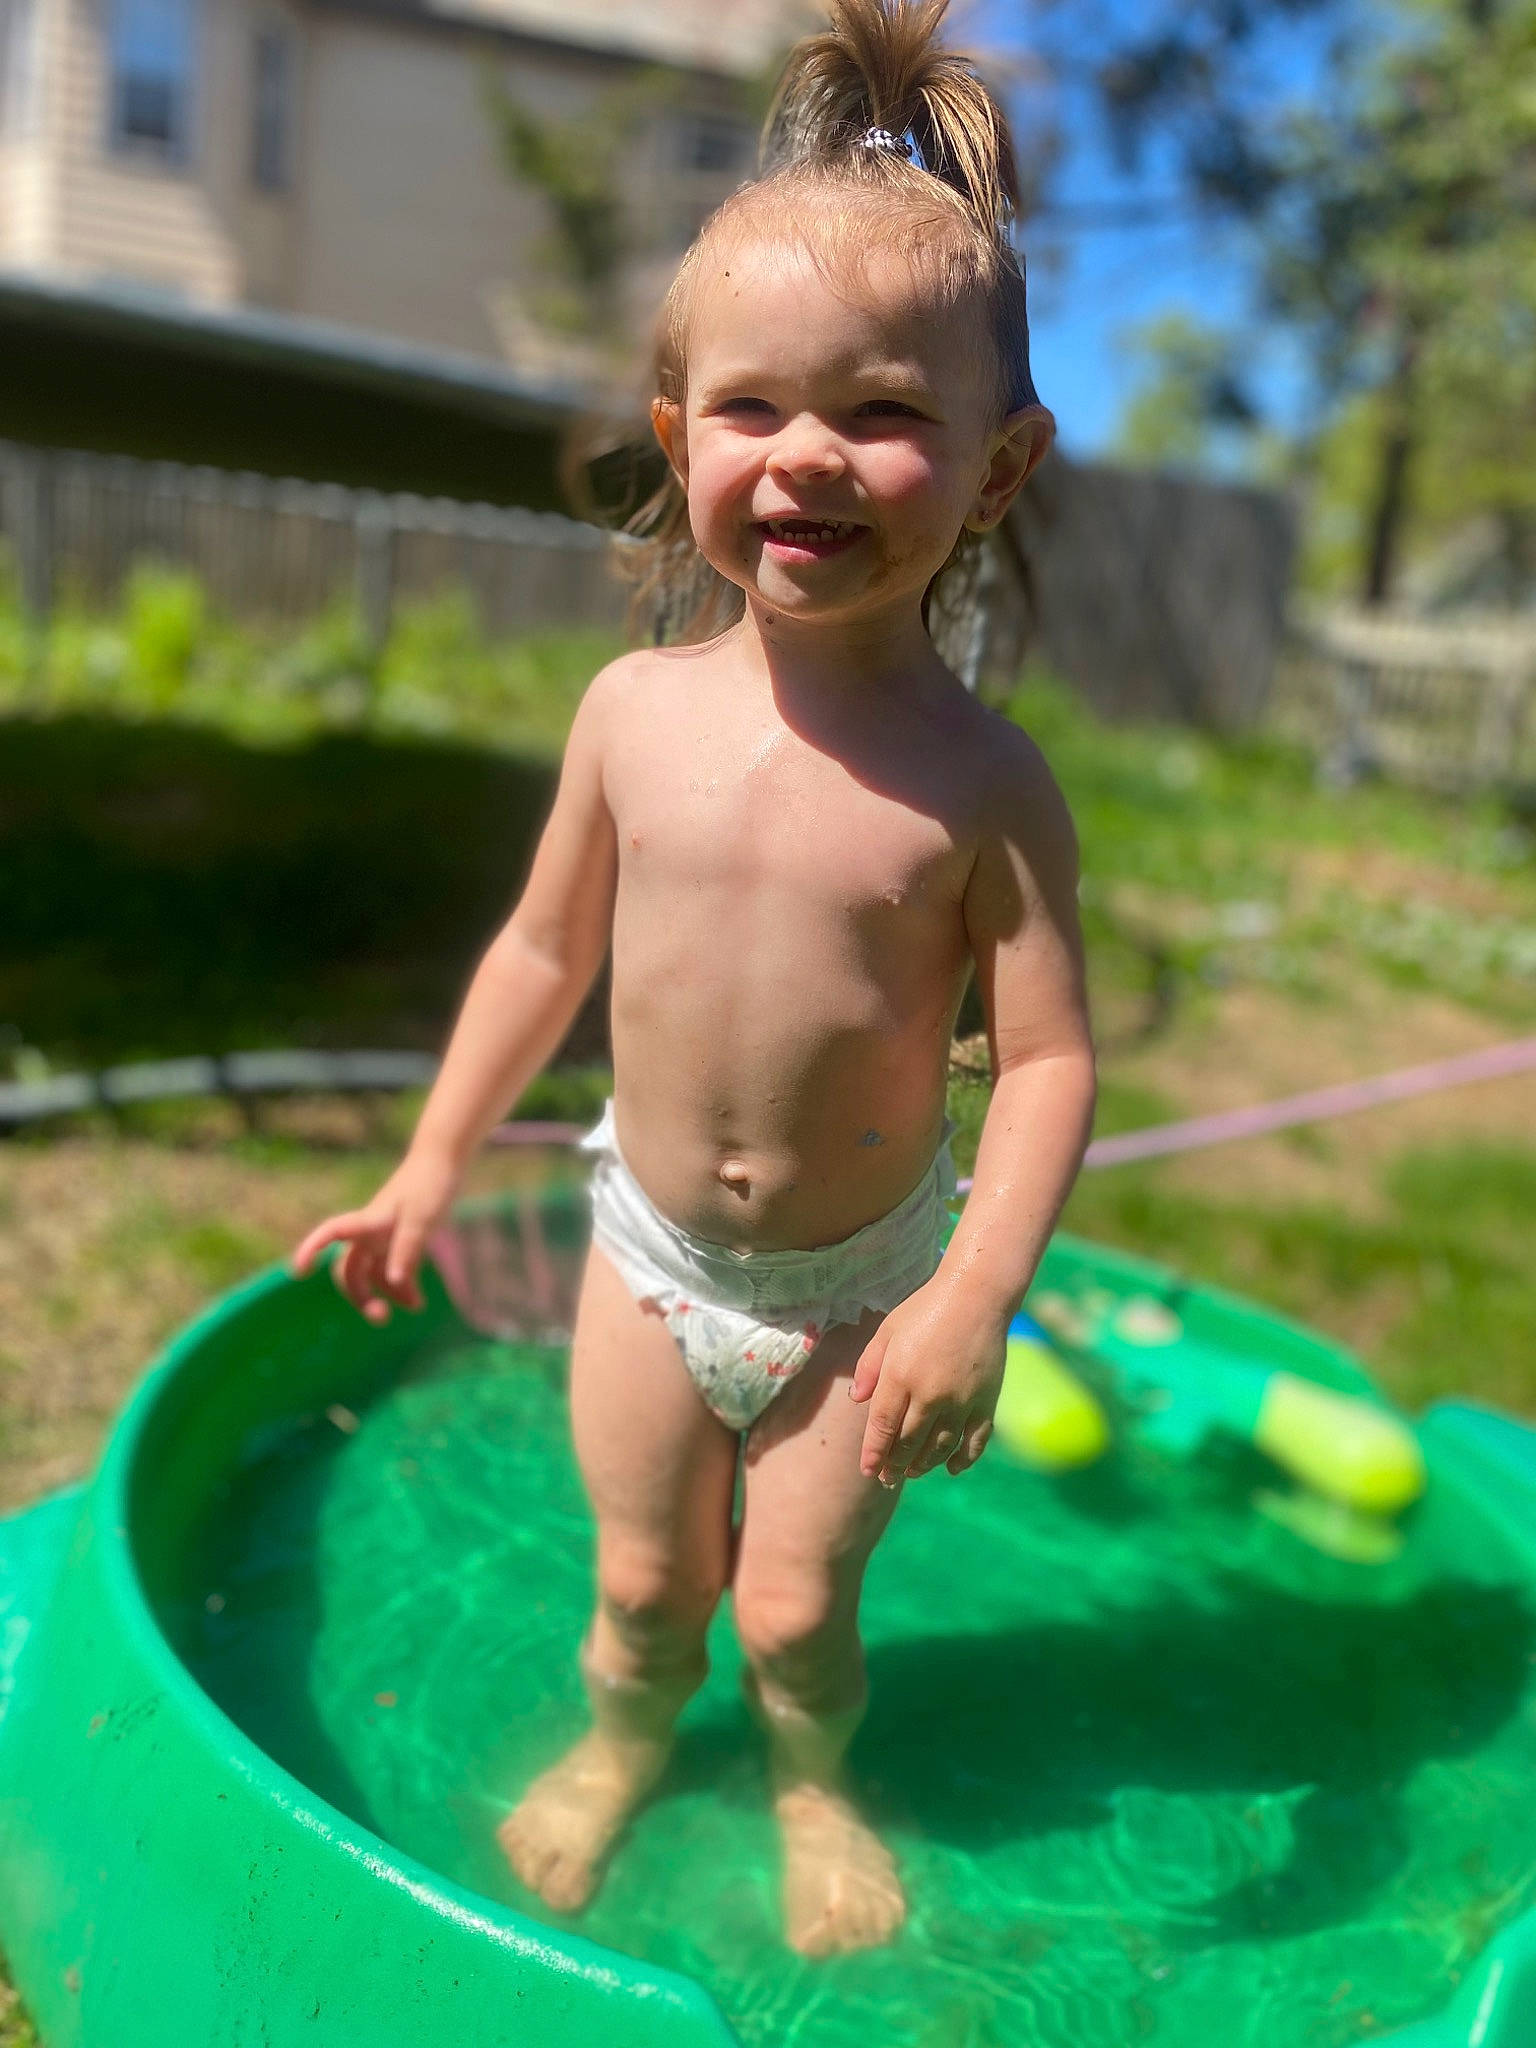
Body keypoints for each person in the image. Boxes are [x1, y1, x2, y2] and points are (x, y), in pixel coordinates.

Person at [292, 0, 1096, 1960]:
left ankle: (815, 1780)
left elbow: (1050, 1059)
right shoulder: (632, 715)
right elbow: (542, 946)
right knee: (648, 1582)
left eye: (885, 412)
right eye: (754, 408)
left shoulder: (983, 786)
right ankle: (621, 1743)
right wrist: (425, 1164)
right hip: (650, 1259)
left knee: (798, 1608)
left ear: (998, 470)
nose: (810, 452)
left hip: (857, 1297)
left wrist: (976, 1293)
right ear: (680, 435)